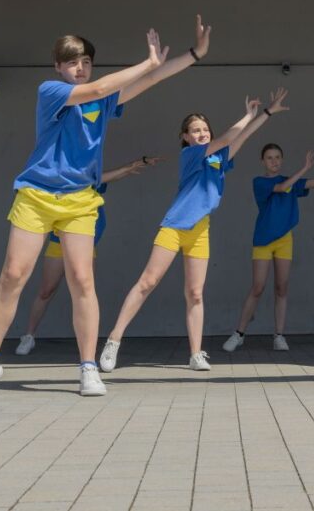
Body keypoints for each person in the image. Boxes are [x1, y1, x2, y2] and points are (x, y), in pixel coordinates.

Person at [0, 16, 212, 397]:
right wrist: (147, 62)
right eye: (73, 62)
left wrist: (194, 54)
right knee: (13, 274)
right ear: (58, 66)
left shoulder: (104, 101)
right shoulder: (51, 91)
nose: (81, 68)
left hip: (80, 199)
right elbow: (102, 86)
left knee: (82, 279)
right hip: (37, 194)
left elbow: (150, 80)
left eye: (87, 62)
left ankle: (88, 367)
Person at [100, 89, 291, 372]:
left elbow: (241, 138)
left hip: (200, 230)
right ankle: (114, 340)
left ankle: (195, 354)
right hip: (175, 226)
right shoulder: (190, 154)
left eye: (205, 129)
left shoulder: (218, 158)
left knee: (195, 293)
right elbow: (226, 138)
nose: (202, 133)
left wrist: (266, 113)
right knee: (148, 282)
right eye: (196, 130)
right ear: (186, 137)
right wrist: (247, 115)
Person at [13, 156, 162, 356]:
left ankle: (86, 348)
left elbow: (113, 175)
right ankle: (28, 336)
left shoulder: (91, 180)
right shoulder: (61, 178)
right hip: (58, 244)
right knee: (46, 290)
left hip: (84, 246)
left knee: (84, 292)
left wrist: (137, 163)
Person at [223, 137, 314, 353]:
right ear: (263, 161)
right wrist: (304, 168)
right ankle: (238, 333)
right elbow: (281, 187)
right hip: (263, 240)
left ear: (282, 159)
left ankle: (279, 335)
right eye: (269, 158)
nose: (274, 161)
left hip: (285, 240)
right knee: (258, 287)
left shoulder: (291, 181)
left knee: (281, 288)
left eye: (277, 157)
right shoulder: (260, 182)